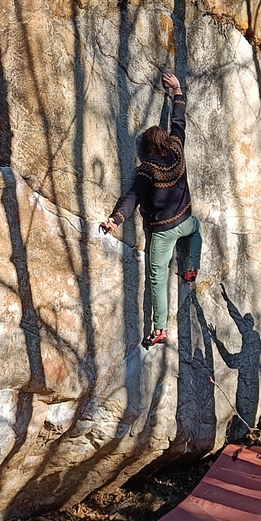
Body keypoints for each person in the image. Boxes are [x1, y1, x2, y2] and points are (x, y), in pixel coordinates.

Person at [101, 70, 201, 349]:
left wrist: (116, 219)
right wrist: (177, 91)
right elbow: (178, 122)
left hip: (164, 231)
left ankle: (159, 328)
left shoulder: (148, 169)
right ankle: (192, 268)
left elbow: (133, 196)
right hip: (186, 220)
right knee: (197, 231)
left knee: (158, 278)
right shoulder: (177, 149)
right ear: (165, 142)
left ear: (148, 149)